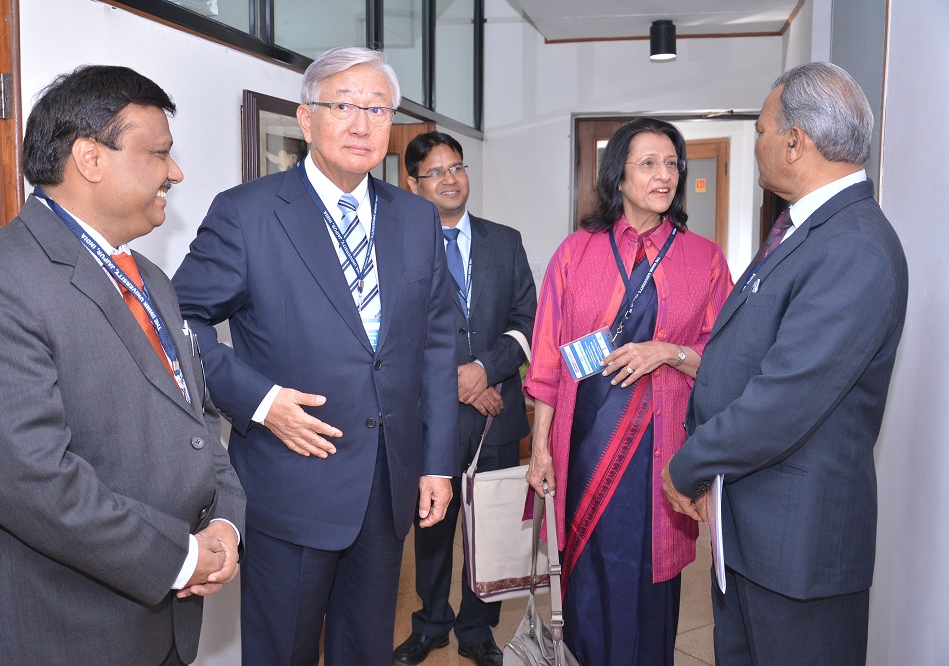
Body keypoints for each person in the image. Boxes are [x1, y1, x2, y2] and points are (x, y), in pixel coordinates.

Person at [0, 65, 245, 665]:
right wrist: (180, 557)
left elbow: (197, 420)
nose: (175, 172)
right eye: (159, 153)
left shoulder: (152, 280)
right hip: (58, 630)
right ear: (89, 158)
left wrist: (226, 524)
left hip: (163, 628)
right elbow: (29, 478)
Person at [172, 47, 459, 665]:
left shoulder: (415, 218)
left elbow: (437, 347)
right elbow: (177, 321)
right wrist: (260, 401)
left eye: (377, 109)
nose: (362, 124)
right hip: (290, 481)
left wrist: (437, 462)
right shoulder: (247, 213)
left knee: (366, 650)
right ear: (306, 119)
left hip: (387, 484)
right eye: (343, 106)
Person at [662, 62, 908, 665]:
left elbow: (783, 401)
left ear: (795, 141)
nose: (759, 144)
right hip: (755, 531)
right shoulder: (805, 229)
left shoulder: (853, 246)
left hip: (799, 551)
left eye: (763, 131)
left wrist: (686, 466)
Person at [524, 117, 733, 665]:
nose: (664, 176)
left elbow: (729, 358)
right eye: (648, 164)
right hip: (585, 444)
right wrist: (541, 446)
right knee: (590, 576)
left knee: (649, 576)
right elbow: (547, 362)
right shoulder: (576, 252)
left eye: (672, 164)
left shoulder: (705, 259)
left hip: (661, 451)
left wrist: (668, 351)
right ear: (617, 175)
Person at [392, 132, 537, 666]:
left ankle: (478, 630)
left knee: (490, 527)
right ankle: (431, 623)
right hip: (430, 417)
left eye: (456, 167)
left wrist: (485, 371)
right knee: (432, 525)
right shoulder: (399, 246)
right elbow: (393, 331)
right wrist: (457, 383)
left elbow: (528, 320)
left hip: (497, 414)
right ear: (413, 184)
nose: (450, 179)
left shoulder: (505, 241)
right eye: (435, 172)